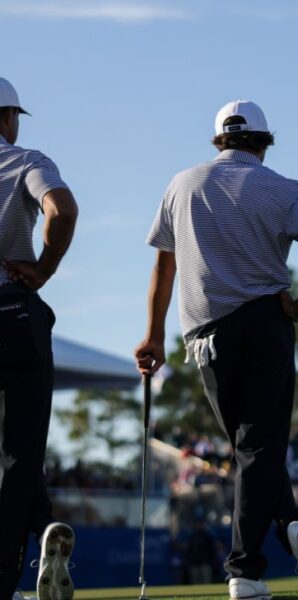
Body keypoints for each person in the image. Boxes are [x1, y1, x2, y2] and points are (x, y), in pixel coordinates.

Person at [135, 100, 298, 599]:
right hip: (266, 324)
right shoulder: (283, 189)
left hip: (205, 336)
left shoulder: (181, 184)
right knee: (259, 449)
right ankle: (247, 571)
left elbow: (164, 268)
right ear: (263, 142)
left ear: (218, 141)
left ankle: (289, 529)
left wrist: (153, 334)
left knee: (251, 450)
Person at [0, 77, 78, 600]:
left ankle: (43, 522)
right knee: (20, 453)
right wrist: (45, 268)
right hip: (13, 315)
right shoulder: (25, 160)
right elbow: (62, 210)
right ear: (8, 118)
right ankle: (23, 550)